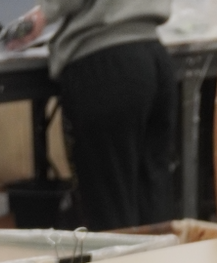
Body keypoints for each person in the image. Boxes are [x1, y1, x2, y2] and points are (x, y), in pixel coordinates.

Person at [39, 0, 176, 231]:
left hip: (104, 57)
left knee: (112, 211)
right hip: (152, 53)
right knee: (154, 202)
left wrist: (43, 13)